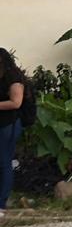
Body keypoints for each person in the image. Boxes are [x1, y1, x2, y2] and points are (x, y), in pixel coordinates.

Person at [0, 49, 27, 218]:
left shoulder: (13, 79)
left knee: (4, 163)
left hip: (8, 125)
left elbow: (16, 102)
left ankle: (1, 204)